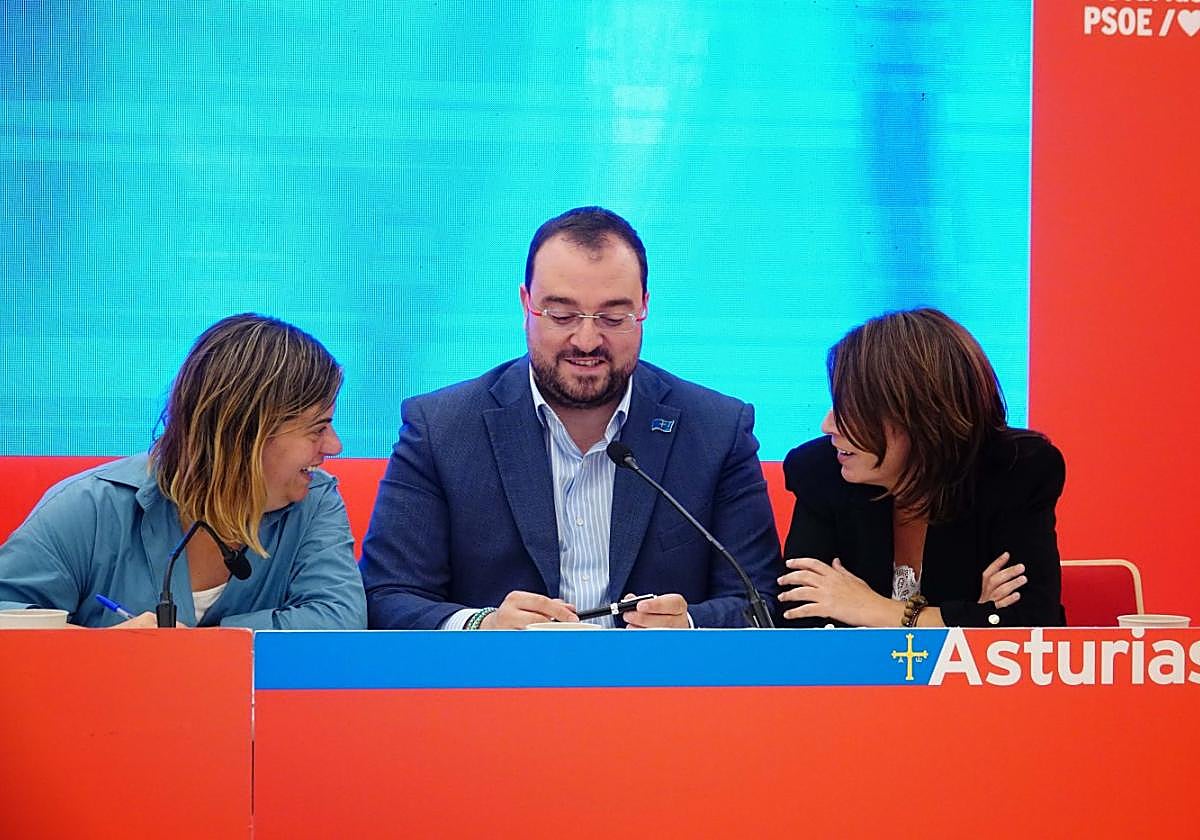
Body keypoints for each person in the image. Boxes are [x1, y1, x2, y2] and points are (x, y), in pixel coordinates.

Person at [362, 206, 782, 629]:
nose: (586, 340)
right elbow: (386, 596)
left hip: (658, 689)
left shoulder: (716, 429)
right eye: (562, 316)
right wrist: (481, 626)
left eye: (613, 318)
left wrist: (687, 626)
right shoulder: (441, 428)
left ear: (644, 308)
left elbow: (760, 600)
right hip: (499, 689)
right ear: (526, 304)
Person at [0, 313, 368, 629]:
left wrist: (194, 649)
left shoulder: (314, 501)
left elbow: (338, 621)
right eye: (317, 429)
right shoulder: (92, 506)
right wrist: (105, 647)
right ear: (246, 434)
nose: (334, 447)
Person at [777, 308, 1065, 628]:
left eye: (851, 410)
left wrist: (872, 609)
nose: (827, 425)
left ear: (920, 419)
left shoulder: (1015, 471)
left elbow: (1028, 626)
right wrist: (964, 619)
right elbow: (800, 624)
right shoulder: (821, 471)